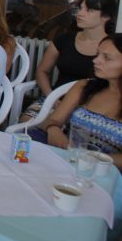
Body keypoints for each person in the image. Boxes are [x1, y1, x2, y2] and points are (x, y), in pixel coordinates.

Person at [21, 0, 116, 122]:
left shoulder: (111, 48)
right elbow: (42, 71)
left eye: (90, 10)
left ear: (106, 17)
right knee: (26, 120)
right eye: (80, 8)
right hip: (55, 98)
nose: (80, 14)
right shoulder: (64, 39)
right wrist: (51, 97)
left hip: (90, 106)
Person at [37, 34, 122, 163]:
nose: (95, 60)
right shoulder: (85, 86)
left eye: (107, 58)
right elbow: (53, 120)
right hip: (65, 160)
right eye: (98, 54)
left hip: (107, 174)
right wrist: (53, 129)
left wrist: (91, 158)